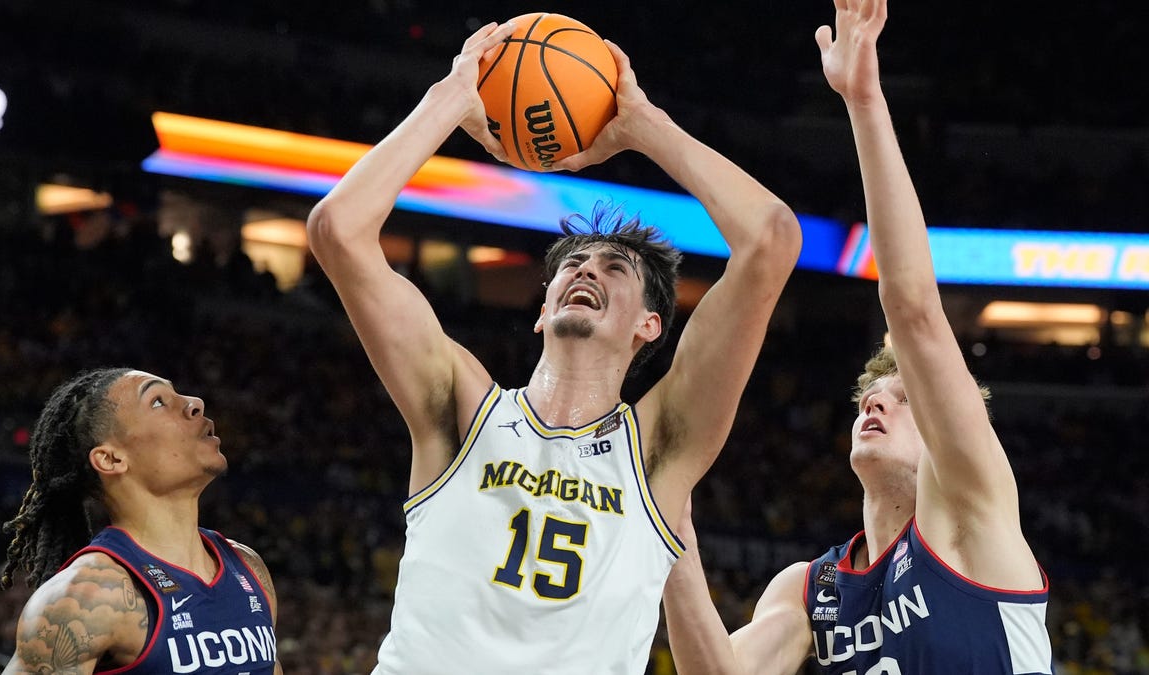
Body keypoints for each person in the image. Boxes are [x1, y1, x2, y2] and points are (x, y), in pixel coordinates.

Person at [305, 20, 802, 675]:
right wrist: (450, 99)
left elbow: (770, 241)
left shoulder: (658, 446)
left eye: (615, 268)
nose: (587, 270)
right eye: (573, 265)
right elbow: (338, 229)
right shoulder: (460, 404)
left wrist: (642, 124)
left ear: (649, 325)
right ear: (542, 310)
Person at [662, 1, 1054, 673]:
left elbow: (913, 309)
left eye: (899, 397)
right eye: (871, 394)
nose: (874, 403)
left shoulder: (972, 510)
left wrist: (865, 100)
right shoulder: (813, 589)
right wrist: (670, 529)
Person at [0, 368, 283, 674]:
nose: (195, 403)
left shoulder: (248, 567)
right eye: (158, 402)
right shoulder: (87, 597)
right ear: (111, 459)